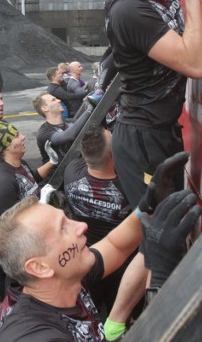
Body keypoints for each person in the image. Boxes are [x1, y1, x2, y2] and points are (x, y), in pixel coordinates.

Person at [0, 179, 201, 341]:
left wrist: (148, 206)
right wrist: (161, 283)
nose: (81, 226)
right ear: (39, 267)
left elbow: (114, 246)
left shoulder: (60, 280)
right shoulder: (34, 336)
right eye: (63, 228)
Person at [106, 0, 202, 206]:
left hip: (161, 131)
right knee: (160, 231)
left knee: (172, 219)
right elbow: (196, 64)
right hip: (143, 140)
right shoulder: (128, 10)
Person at [63, 125, 135, 317]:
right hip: (121, 262)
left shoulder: (71, 173)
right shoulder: (127, 190)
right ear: (114, 154)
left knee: (91, 311)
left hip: (88, 258)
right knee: (118, 314)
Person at [0, 120, 56, 218]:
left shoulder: (20, 163)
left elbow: (32, 178)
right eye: (16, 136)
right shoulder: (4, 181)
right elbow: (11, 220)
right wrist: (42, 203)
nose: (23, 137)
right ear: (6, 146)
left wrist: (52, 161)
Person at [32, 92, 92, 164]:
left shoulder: (70, 121)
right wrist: (89, 110)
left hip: (80, 165)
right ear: (45, 108)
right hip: (61, 173)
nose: (59, 100)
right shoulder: (44, 132)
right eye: (53, 100)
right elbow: (67, 136)